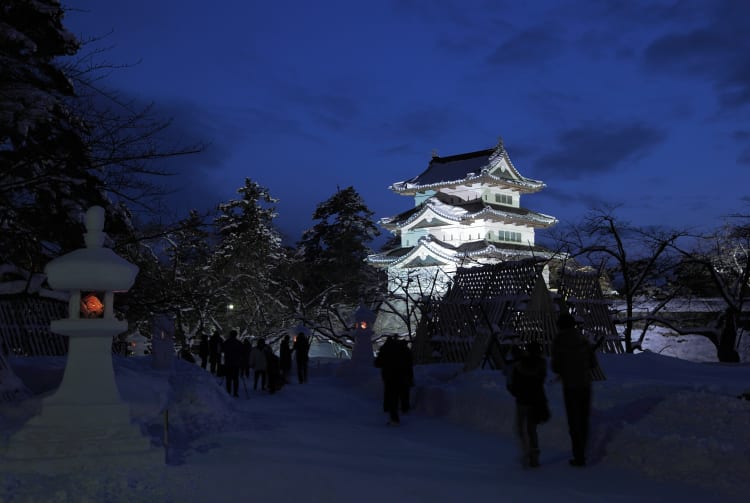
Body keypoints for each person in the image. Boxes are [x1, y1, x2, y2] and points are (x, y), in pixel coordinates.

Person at [551, 313, 598, 467]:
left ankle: (578, 456)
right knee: (583, 419)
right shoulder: (583, 340)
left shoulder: (559, 341)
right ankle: (582, 452)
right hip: (585, 384)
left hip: (570, 386)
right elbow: (593, 363)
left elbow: (555, 366)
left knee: (574, 420)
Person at [507, 342, 549, 468]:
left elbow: (512, 385)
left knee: (520, 428)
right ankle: (534, 456)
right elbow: (542, 380)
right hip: (536, 400)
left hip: (522, 401)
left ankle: (526, 451)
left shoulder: (519, 365)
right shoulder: (542, 364)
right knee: (532, 430)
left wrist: (517, 392)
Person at [374, 336, 413, 425]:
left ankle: (394, 417)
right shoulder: (405, 349)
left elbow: (378, 363)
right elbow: (410, 364)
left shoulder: (386, 348)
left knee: (392, 396)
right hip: (404, 375)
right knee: (404, 392)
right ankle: (405, 409)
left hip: (390, 376)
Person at [222, 330, 243, 397]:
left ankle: (228, 392)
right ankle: (235, 393)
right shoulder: (239, 343)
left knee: (228, 378)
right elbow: (242, 352)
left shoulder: (226, 342)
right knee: (235, 379)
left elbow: (222, 350)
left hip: (228, 363)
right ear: (236, 335)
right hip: (236, 363)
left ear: (230, 335)